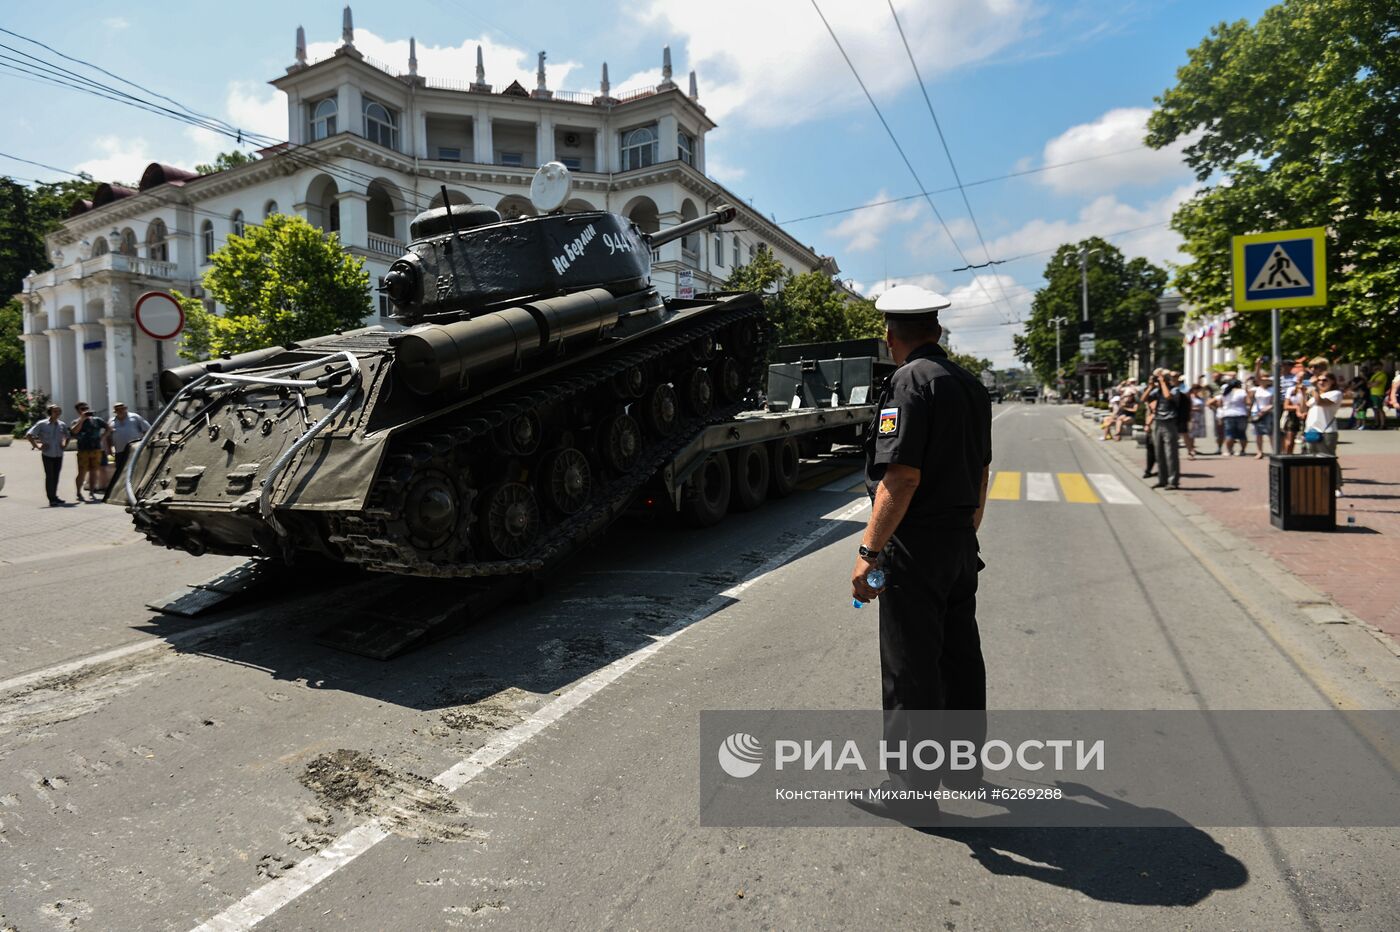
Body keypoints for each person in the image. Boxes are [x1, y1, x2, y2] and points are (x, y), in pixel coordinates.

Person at [850, 284, 991, 808]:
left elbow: (902, 477)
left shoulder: (909, 383)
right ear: (936, 329)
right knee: (959, 656)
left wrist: (868, 553)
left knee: (911, 664)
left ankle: (912, 790)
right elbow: (980, 473)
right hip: (957, 541)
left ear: (891, 336)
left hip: (919, 543)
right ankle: (962, 771)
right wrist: (967, 530)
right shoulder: (970, 384)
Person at [25, 404, 73, 506]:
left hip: (59, 454)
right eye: (55, 411)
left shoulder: (62, 424)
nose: (58, 413)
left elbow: (68, 435)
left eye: (59, 411)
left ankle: (54, 496)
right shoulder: (42, 424)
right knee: (50, 476)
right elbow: (29, 435)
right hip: (48, 454)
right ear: (50, 412)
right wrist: (37, 446)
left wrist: (64, 444)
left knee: (56, 476)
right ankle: (51, 499)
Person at [102, 401, 151, 501]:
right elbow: (107, 437)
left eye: (122, 408)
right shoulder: (111, 421)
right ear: (114, 411)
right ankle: (123, 493)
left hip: (135, 450)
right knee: (121, 472)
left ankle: (138, 491)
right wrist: (109, 451)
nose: (120, 410)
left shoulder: (135, 417)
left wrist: (147, 444)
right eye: (117, 409)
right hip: (120, 452)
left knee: (137, 471)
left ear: (126, 408)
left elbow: (147, 429)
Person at [1303, 372, 1343, 494]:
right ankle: (1318, 485)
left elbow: (1321, 402)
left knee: (1329, 459)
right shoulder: (1315, 394)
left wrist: (1314, 388)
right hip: (1311, 431)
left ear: (1332, 382)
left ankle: (1336, 486)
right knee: (1312, 460)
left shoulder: (1336, 393)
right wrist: (1302, 392)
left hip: (1327, 431)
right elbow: (1304, 408)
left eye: (1324, 380)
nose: (1321, 382)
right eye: (1319, 380)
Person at [1146, 370, 1180, 489]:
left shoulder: (1174, 389)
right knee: (1159, 453)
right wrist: (1150, 387)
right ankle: (1162, 479)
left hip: (1170, 422)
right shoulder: (1157, 390)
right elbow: (1143, 398)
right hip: (1158, 422)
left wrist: (1163, 383)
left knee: (1170, 453)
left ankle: (1173, 481)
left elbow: (1168, 396)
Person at [68, 402, 108, 503]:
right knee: (82, 472)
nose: (85, 410)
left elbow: (109, 428)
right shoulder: (76, 421)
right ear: (78, 411)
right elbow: (74, 432)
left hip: (96, 449)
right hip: (83, 450)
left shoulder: (97, 420)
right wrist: (82, 419)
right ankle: (78, 492)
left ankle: (92, 491)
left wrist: (102, 437)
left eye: (86, 408)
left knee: (94, 471)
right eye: (82, 409)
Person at [1248, 375, 1274, 458]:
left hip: (1268, 411)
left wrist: (1268, 408)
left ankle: (1274, 451)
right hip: (1256, 412)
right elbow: (1249, 400)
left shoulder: (1272, 389)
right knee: (1258, 433)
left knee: (1270, 432)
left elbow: (1274, 401)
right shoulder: (1255, 389)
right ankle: (1259, 452)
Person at [1368, 363, 1389, 430]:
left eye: (1377, 366)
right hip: (1373, 394)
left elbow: (1376, 384)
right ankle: (1376, 424)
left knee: (1379, 409)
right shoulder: (1374, 375)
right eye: (1374, 366)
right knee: (1375, 410)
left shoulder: (1382, 374)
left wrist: (1372, 384)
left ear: (1380, 366)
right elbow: (1368, 385)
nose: (1375, 367)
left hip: (1378, 394)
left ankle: (1383, 424)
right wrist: (1372, 384)